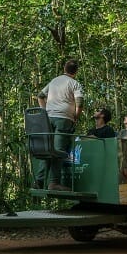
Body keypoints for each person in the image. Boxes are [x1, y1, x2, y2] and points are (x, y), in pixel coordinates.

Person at [34, 59, 84, 191]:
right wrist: (75, 117)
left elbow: (40, 96)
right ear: (76, 71)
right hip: (64, 119)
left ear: (64, 69)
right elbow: (79, 102)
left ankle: (39, 179)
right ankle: (53, 182)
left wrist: (45, 112)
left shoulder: (54, 81)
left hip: (49, 118)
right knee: (58, 150)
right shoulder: (75, 83)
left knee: (47, 149)